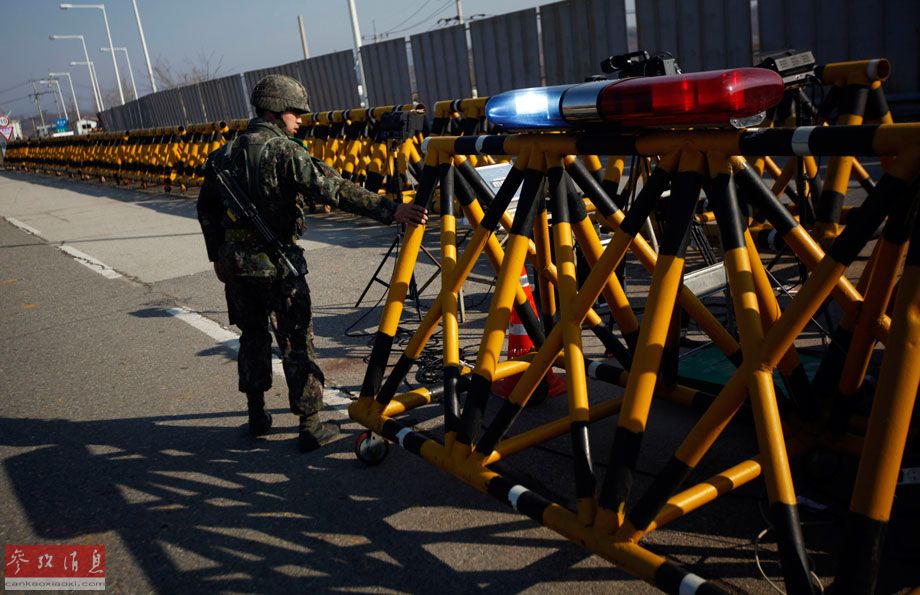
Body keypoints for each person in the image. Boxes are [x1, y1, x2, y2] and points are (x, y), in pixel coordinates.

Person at [196, 74, 427, 452]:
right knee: (296, 344)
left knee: (251, 338)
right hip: (277, 265)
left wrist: (216, 256)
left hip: (236, 267)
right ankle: (311, 424)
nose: (300, 119)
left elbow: (206, 210)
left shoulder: (222, 156)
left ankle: (256, 415)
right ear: (273, 111)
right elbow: (333, 189)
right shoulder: (285, 152)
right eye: (294, 112)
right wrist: (391, 210)